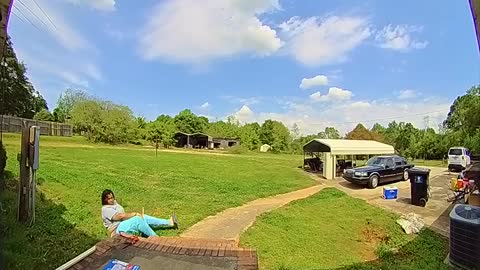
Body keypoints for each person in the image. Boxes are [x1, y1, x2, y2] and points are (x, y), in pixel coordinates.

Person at [101, 189, 178, 238]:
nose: (111, 200)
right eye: (108, 199)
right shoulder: (105, 209)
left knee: (143, 217)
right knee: (137, 219)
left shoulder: (114, 203)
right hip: (117, 229)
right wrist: (134, 214)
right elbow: (119, 216)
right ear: (104, 200)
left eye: (112, 197)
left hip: (124, 223)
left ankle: (169, 222)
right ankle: (156, 238)